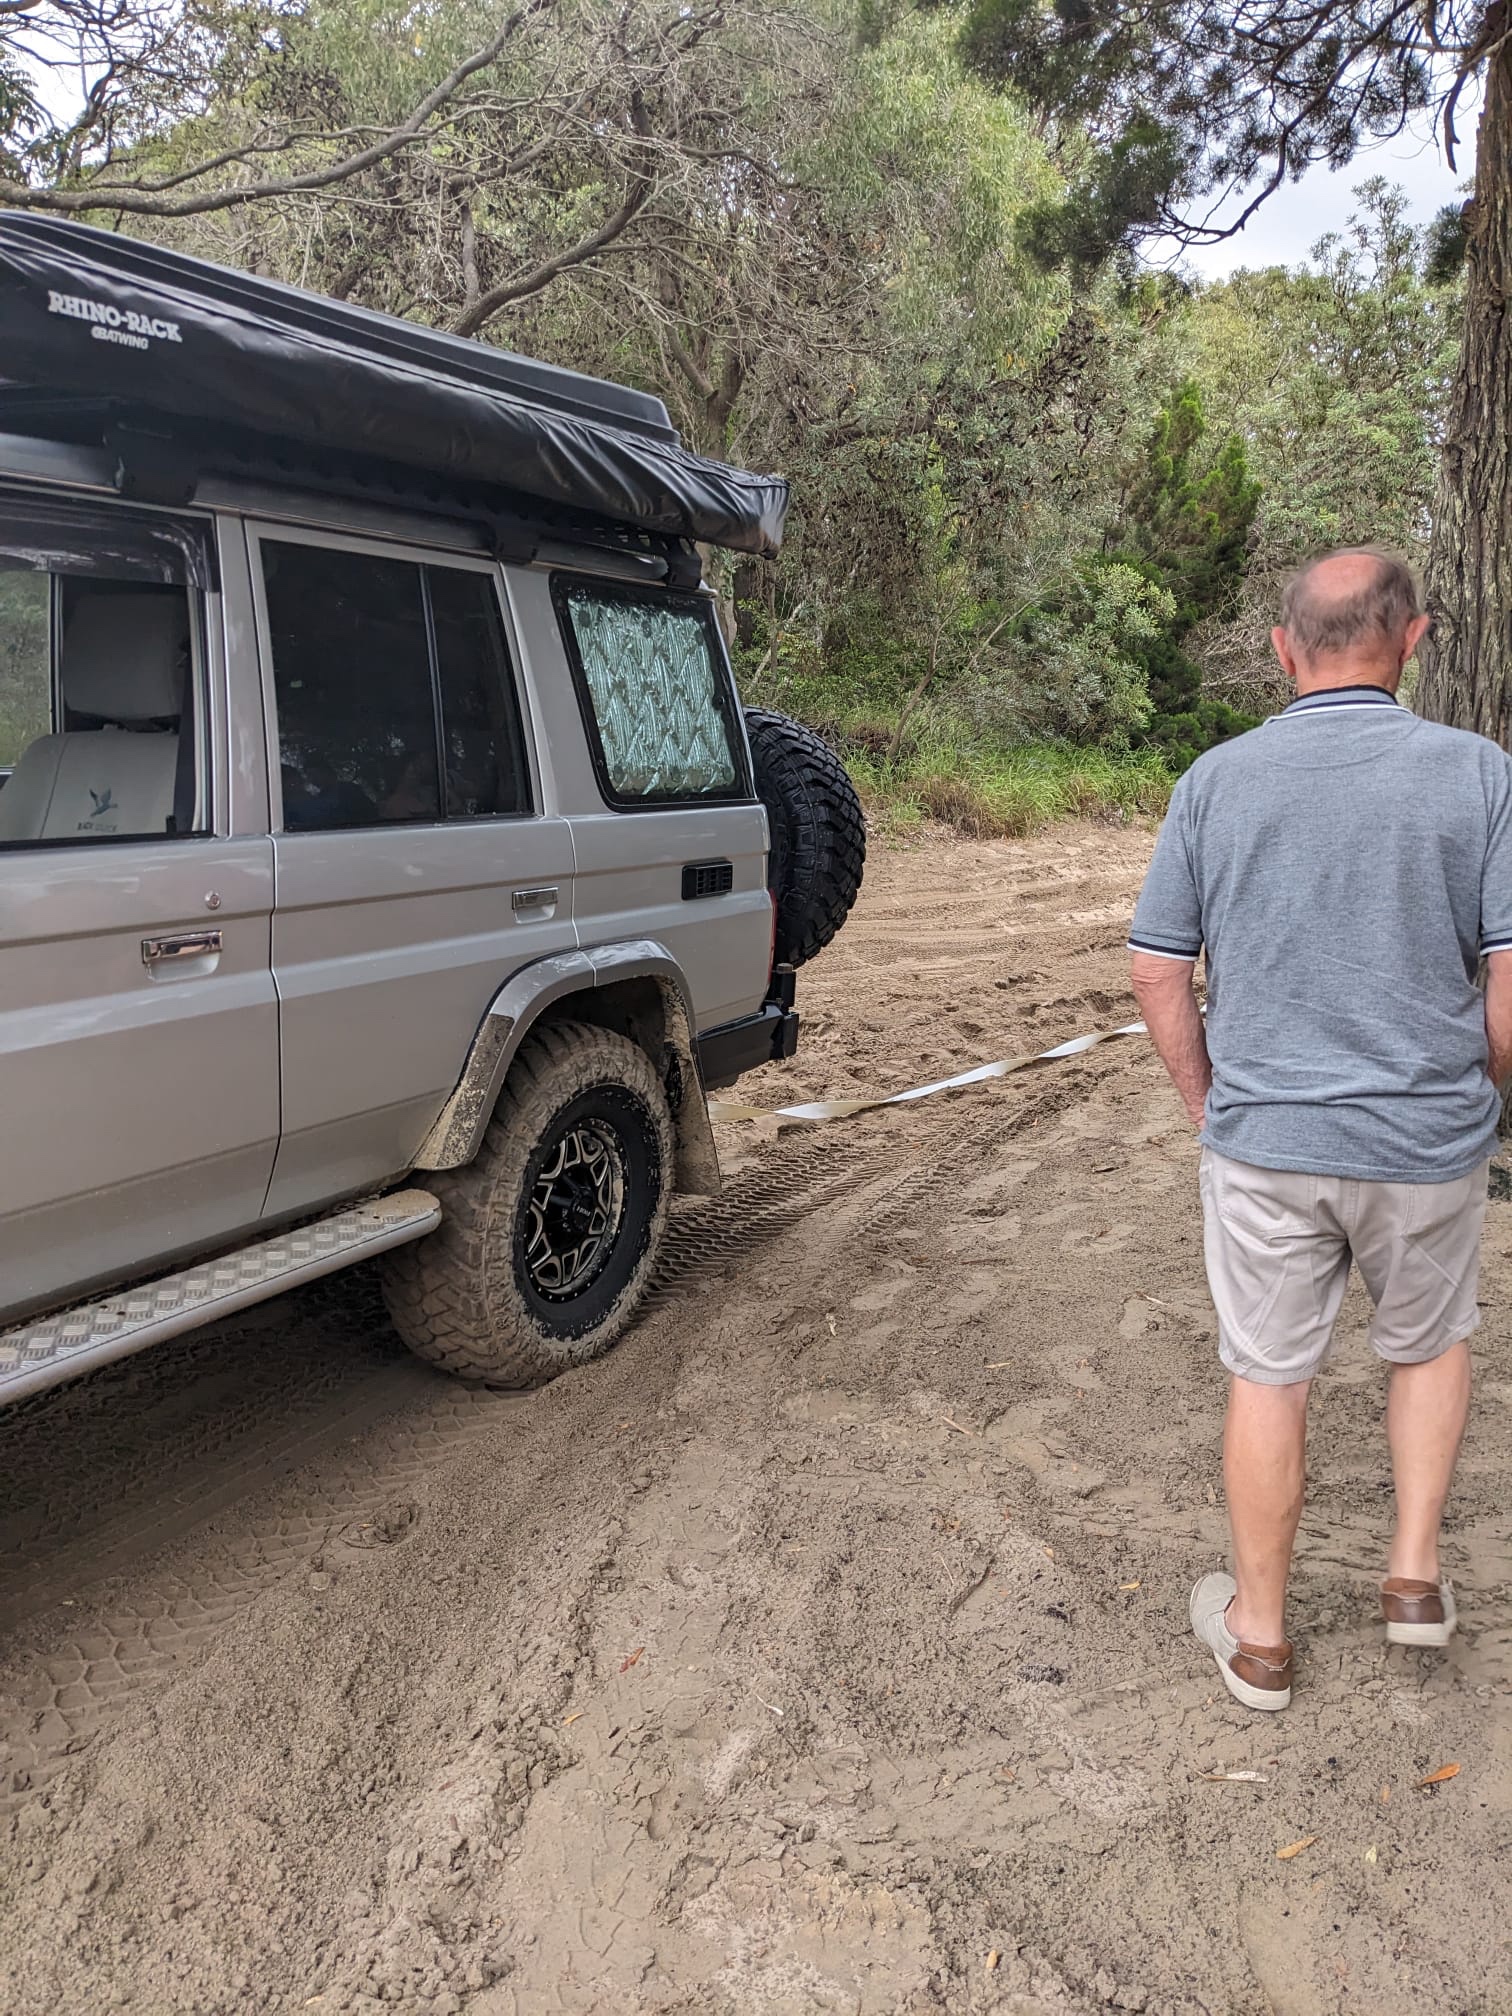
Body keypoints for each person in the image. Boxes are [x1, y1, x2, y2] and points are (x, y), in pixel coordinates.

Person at [1129, 548, 1512, 1712]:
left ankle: (1260, 1641)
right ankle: (1413, 1579)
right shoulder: (1481, 774)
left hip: (1266, 1145)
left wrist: (1208, 1104)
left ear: (1284, 650)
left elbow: (1156, 969)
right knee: (1428, 1347)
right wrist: (1485, 1096)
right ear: (1415, 640)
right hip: (1427, 1143)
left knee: (1269, 1376)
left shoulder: (1214, 781)